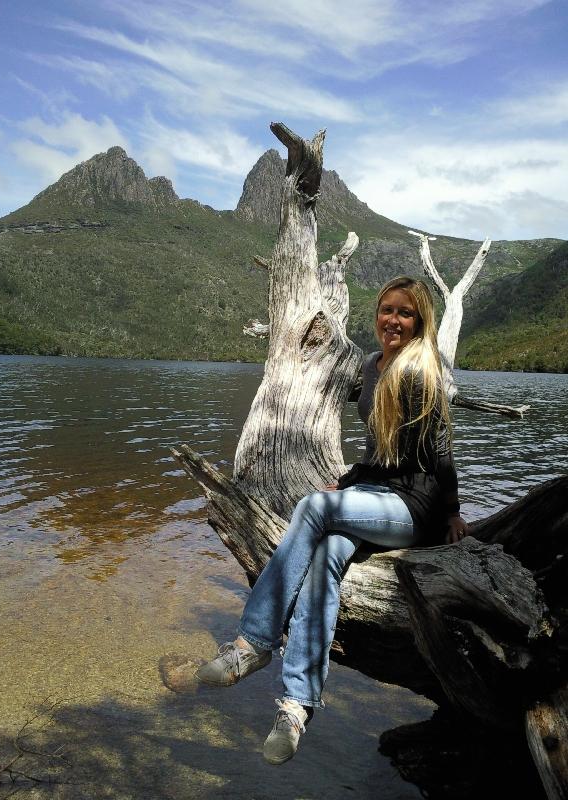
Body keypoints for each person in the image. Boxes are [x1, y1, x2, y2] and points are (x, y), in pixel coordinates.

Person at [196, 276, 469, 765]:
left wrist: (451, 512)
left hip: (414, 509)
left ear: (420, 320)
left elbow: (440, 451)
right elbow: (379, 451)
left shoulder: (420, 369)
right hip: (375, 495)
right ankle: (296, 705)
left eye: (405, 313)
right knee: (324, 559)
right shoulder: (371, 365)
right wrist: (346, 483)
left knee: (313, 509)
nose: (393, 320)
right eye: (387, 310)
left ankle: (254, 640)